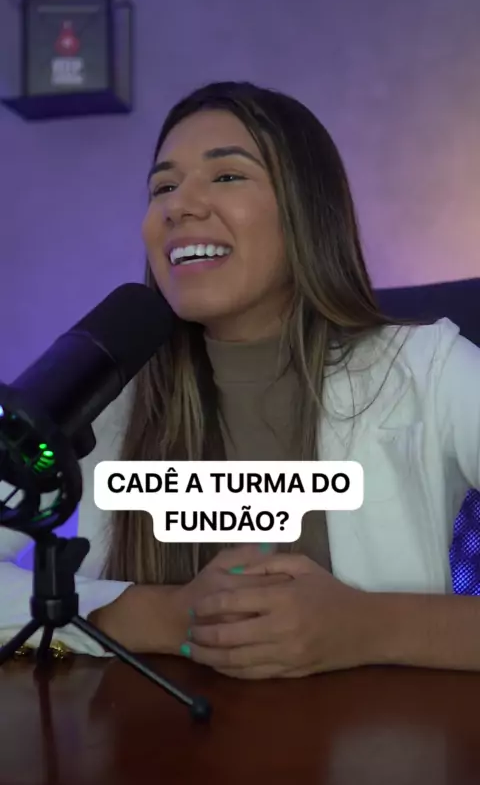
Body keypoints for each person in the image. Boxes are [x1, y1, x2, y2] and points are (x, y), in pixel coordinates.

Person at [1, 81, 479, 680]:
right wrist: (161, 618)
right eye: (163, 187)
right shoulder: (108, 387)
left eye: (227, 176)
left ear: (307, 212)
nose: (179, 206)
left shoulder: (427, 369)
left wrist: (368, 627)